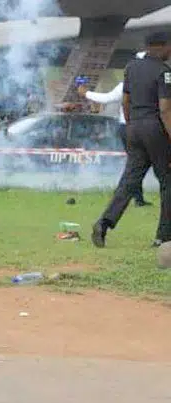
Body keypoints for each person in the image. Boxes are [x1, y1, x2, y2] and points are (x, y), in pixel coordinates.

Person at [92, 32, 171, 249]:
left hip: (134, 127)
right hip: (155, 129)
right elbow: (165, 109)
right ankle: (164, 236)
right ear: (162, 46)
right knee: (168, 180)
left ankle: (104, 223)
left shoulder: (131, 67)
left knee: (129, 180)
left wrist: (131, 125)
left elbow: (125, 102)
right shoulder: (164, 72)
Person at [78, 51, 151, 207]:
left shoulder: (127, 84)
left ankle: (130, 197)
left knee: (136, 164)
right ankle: (133, 197)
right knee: (141, 163)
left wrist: (86, 93)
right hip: (145, 128)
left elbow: (106, 98)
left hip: (130, 127)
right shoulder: (156, 80)